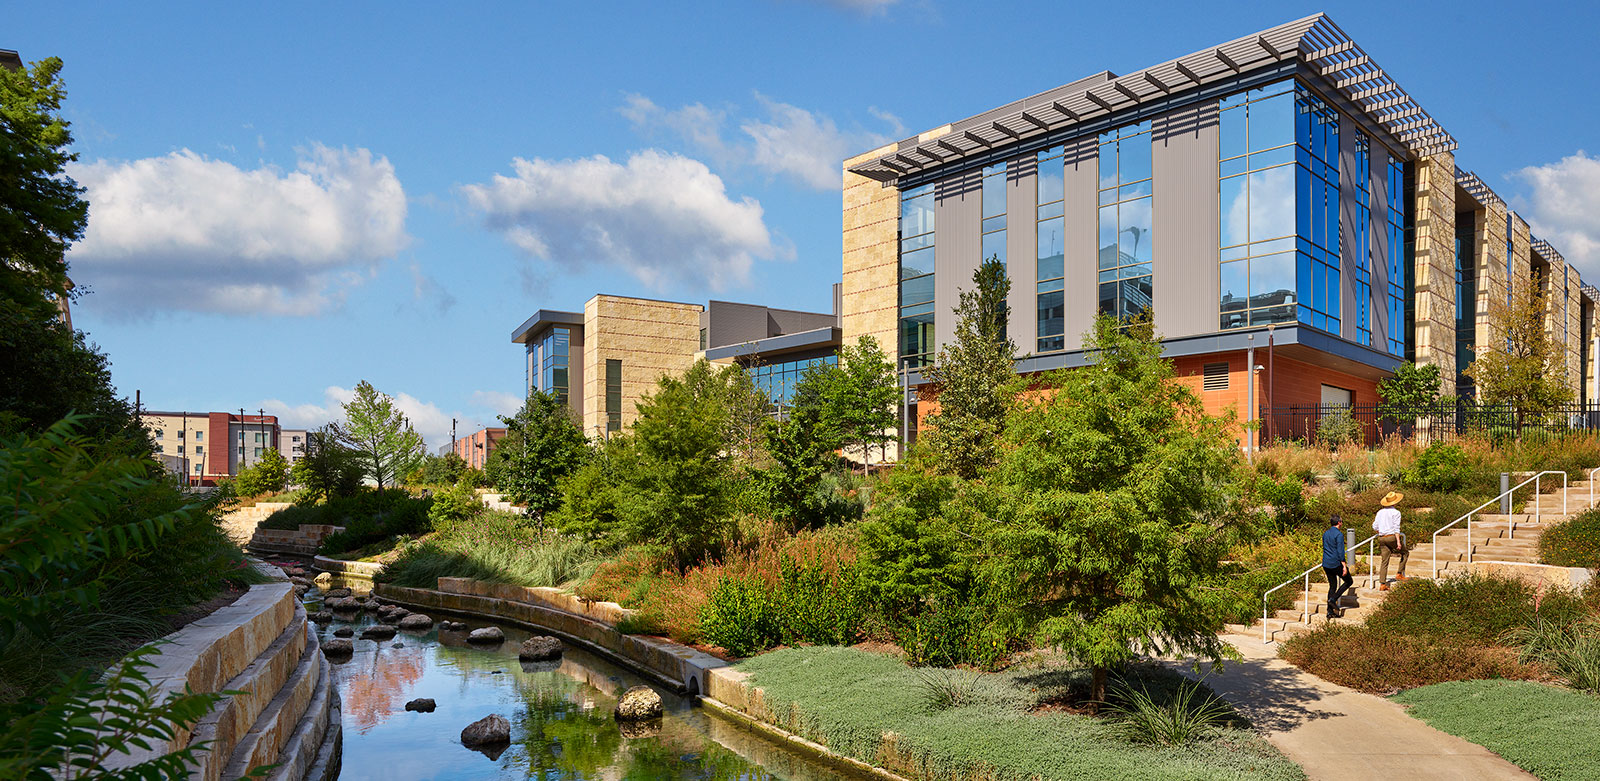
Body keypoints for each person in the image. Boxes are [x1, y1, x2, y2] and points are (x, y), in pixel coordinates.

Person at [1374, 491, 1409, 590]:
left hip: (1382, 538)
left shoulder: (1380, 512)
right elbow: (1396, 528)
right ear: (1394, 502)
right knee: (1405, 553)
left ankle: (1382, 584)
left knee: (1384, 561)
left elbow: (1375, 526)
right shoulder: (1396, 512)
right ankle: (1399, 573)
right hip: (1391, 537)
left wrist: (1380, 530)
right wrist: (1398, 541)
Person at [1322, 515, 1353, 618]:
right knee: (1349, 581)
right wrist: (1344, 565)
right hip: (1335, 563)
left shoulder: (1325, 533)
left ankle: (1329, 611)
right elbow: (1340, 551)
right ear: (1339, 522)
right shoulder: (1339, 535)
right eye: (1341, 521)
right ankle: (1333, 599)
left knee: (1332, 586)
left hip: (1326, 563)